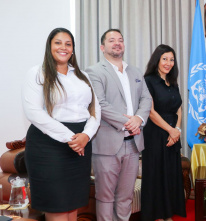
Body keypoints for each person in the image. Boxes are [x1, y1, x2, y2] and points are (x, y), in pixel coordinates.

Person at [22, 27, 101, 221]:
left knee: (73, 204)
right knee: (57, 205)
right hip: (48, 144)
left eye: (68, 44)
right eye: (58, 43)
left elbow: (95, 110)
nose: (63, 47)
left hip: (80, 143)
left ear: (73, 49)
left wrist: (86, 136)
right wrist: (70, 138)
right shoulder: (37, 73)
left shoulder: (82, 76)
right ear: (50, 46)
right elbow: (34, 112)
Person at [85, 29, 152, 221]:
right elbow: (100, 104)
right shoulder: (94, 71)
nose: (117, 43)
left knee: (125, 196)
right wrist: (128, 122)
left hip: (133, 144)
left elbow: (146, 99)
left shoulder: (136, 71)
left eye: (120, 40)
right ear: (102, 47)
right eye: (112, 40)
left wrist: (138, 119)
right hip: (107, 144)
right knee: (105, 197)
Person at [141, 44, 186, 221]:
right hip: (155, 134)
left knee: (170, 176)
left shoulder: (172, 81)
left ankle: (168, 214)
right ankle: (157, 216)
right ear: (157, 60)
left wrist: (178, 130)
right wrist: (170, 130)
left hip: (172, 135)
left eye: (171, 59)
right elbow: (150, 112)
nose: (168, 63)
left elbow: (179, 109)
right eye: (164, 59)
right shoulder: (148, 80)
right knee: (157, 176)